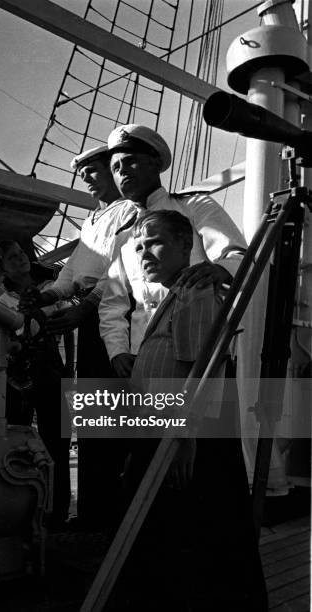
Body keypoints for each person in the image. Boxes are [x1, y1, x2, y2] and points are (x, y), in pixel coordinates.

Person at [108, 210, 267, 611]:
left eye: (156, 242)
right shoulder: (175, 294)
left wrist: (182, 438)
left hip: (178, 438)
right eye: (139, 246)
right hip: (161, 431)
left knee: (186, 534)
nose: (145, 253)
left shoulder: (195, 293)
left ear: (186, 245)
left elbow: (201, 373)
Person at [98, 123, 248, 377]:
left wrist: (220, 270)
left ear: (155, 162)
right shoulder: (124, 234)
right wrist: (117, 350)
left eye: (131, 161)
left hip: (195, 349)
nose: (123, 172)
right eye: (115, 168)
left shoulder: (194, 206)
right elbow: (113, 302)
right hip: (142, 354)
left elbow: (237, 256)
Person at [38, 145, 132, 529]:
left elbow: (119, 269)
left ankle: (112, 516)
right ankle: (93, 512)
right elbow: (70, 273)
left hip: (114, 317)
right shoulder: (93, 221)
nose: (87, 178)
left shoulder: (129, 210)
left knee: (113, 421)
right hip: (89, 319)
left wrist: (84, 307)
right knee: (94, 423)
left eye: (93, 171)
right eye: (83, 175)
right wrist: (46, 296)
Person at [0, 240, 71, 527]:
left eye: (22, 255)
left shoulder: (53, 287)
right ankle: (22, 509)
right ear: (2, 267)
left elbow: (68, 322)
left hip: (53, 373)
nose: (20, 260)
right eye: (12, 257)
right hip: (19, 379)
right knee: (17, 439)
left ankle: (57, 512)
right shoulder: (2, 302)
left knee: (57, 443)